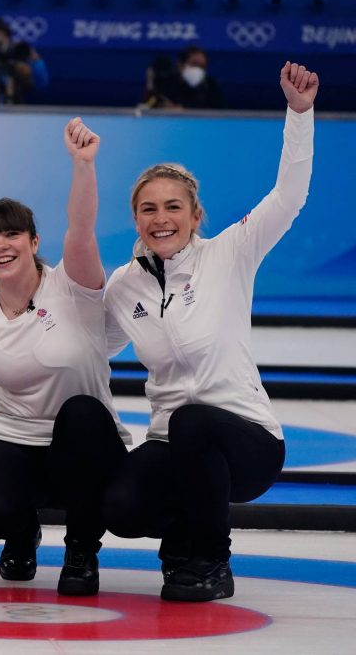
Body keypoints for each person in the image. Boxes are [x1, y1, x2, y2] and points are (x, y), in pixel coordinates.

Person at [102, 62, 318, 602]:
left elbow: (288, 197)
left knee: (194, 420)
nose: (161, 218)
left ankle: (211, 560)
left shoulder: (230, 254)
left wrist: (300, 113)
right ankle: (181, 536)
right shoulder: (124, 286)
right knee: (121, 508)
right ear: (136, 220)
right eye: (148, 209)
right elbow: (87, 346)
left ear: (195, 215)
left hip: (246, 442)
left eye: (173, 206)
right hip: (173, 442)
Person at [0, 118, 131, 596]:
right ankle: (21, 531)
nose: (0, 245)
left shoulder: (74, 285)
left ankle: (82, 550)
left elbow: (82, 227)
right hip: (15, 438)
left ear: (34, 242)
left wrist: (82, 165)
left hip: (83, 446)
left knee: (84, 414)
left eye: (11, 235)